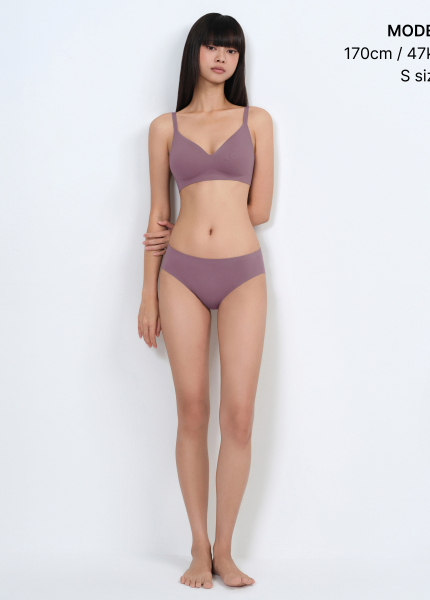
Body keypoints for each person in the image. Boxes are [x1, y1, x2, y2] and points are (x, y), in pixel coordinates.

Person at [138, 12, 273, 589]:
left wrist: (219, 220)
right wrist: (148, 294)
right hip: (181, 275)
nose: (222, 57)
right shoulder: (163, 128)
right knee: (192, 410)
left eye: (232, 50)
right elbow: (158, 217)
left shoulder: (257, 121)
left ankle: (226, 550)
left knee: (239, 416)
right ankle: (198, 546)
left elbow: (259, 209)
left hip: (242, 274)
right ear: (195, 50)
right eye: (214, 46)